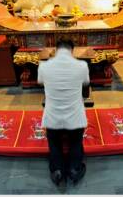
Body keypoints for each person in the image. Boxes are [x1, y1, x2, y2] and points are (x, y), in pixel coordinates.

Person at [37, 36, 90, 189]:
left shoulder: (43, 66)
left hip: (52, 118)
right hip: (75, 118)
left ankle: (57, 171)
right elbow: (86, 82)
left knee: (53, 143)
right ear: (71, 50)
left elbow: (40, 82)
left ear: (55, 49)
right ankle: (74, 169)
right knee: (76, 142)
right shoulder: (82, 65)